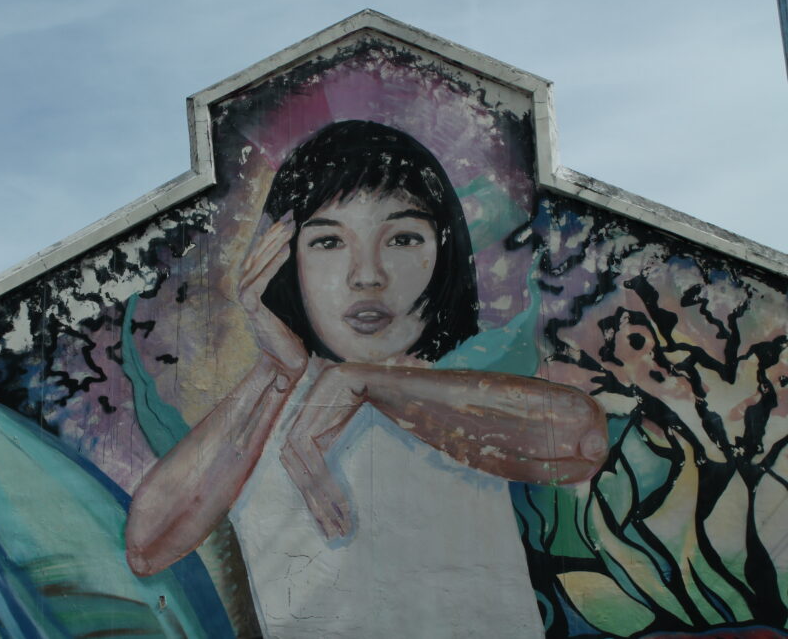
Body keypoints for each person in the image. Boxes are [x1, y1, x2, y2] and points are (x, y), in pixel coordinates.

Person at [125, 121, 607, 635]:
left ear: (444, 253)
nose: (367, 275)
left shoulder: (460, 390)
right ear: (281, 259)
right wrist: (276, 371)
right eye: (328, 241)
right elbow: (148, 546)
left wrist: (365, 382)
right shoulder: (270, 400)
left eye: (402, 238)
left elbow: (581, 439)